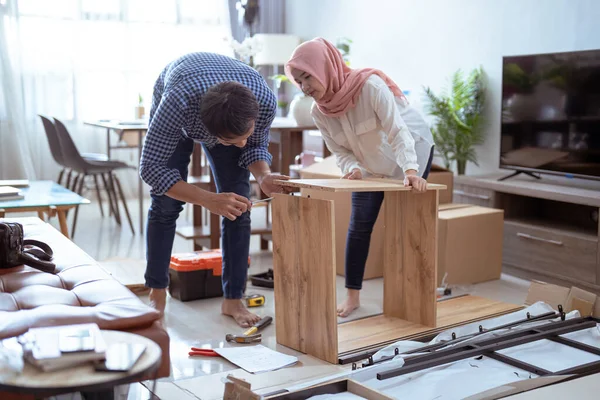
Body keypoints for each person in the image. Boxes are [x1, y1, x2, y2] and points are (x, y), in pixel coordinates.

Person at [285, 38, 435, 318]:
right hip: (370, 164)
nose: (305, 87)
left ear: (324, 67)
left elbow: (397, 131)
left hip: (411, 150)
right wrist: (351, 167)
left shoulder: (370, 87)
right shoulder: (320, 112)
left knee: (407, 223)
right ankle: (352, 296)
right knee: (359, 226)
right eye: (299, 80)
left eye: (308, 77)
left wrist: (411, 171)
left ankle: (415, 292)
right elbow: (340, 150)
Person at [140, 52, 289, 327]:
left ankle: (233, 299)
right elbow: (151, 169)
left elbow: (254, 145)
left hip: (224, 100)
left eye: (245, 135)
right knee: (165, 205)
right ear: (211, 136)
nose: (243, 145)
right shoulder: (177, 103)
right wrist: (207, 199)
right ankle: (157, 292)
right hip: (179, 88)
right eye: (233, 141)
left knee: (238, 207)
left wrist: (263, 176)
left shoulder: (264, 100)